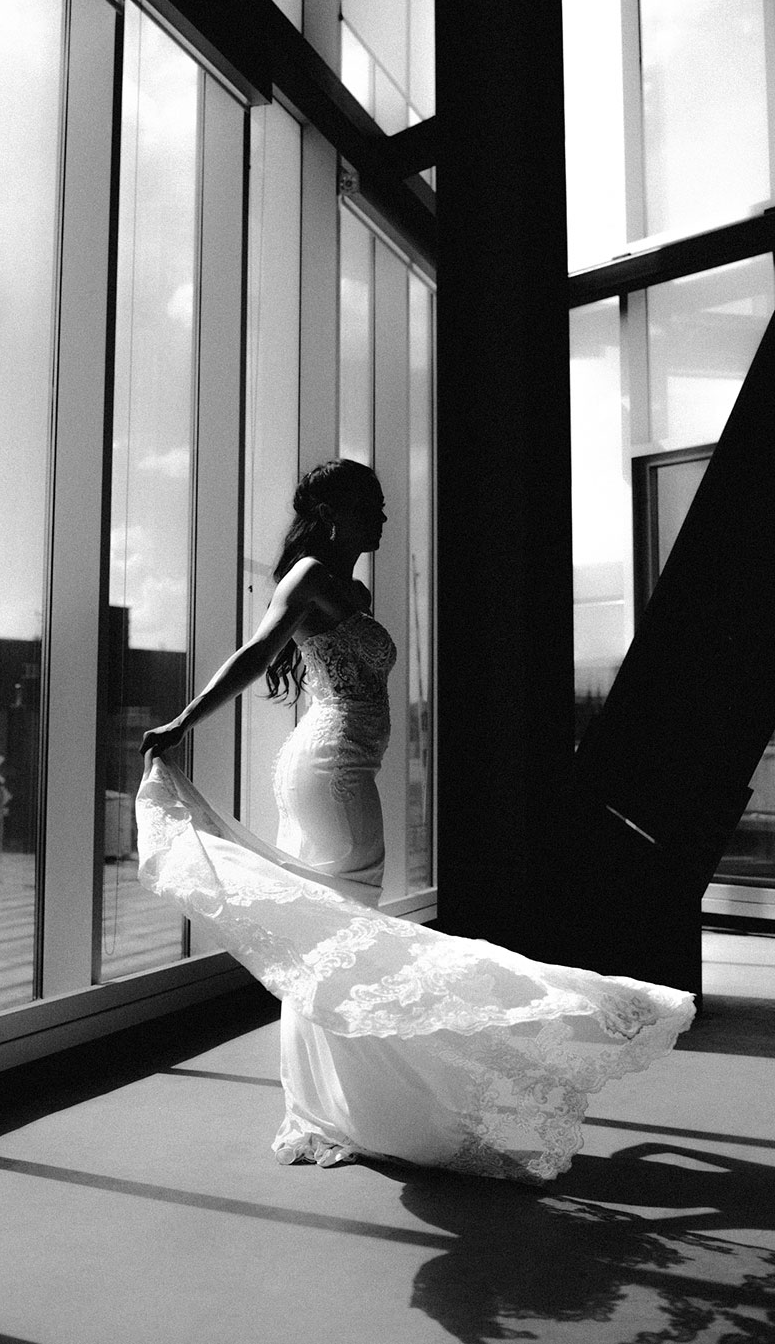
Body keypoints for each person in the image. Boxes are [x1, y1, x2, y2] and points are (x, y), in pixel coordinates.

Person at [137, 459, 694, 1180]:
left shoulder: (352, 591)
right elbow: (255, 655)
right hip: (328, 768)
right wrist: (184, 721)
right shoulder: (306, 576)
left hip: (341, 766)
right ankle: (341, 1106)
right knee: (344, 929)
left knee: (335, 934)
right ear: (335, 511)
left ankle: (335, 1103)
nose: (385, 521)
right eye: (372, 506)